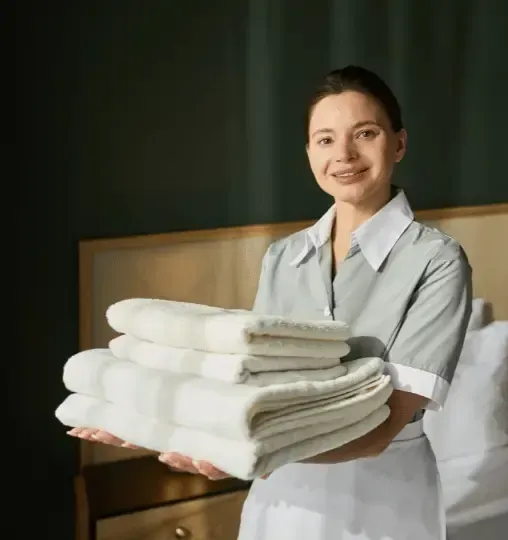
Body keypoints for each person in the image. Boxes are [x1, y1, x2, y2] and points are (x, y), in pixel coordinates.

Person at [68, 65, 472, 539]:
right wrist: (153, 423)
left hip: (381, 503)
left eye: (364, 133)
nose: (343, 155)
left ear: (398, 143)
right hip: (279, 498)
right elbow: (256, 387)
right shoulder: (284, 257)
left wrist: (242, 450)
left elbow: (381, 428)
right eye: (324, 140)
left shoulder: (437, 261)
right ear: (308, 153)